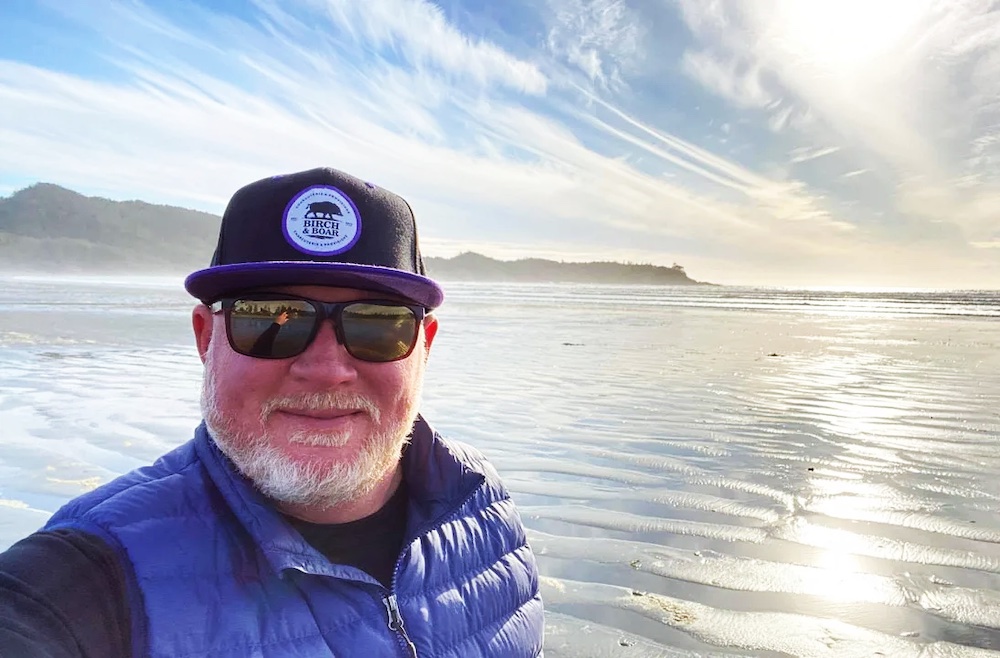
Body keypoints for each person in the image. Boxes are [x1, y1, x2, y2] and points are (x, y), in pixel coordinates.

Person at [0, 167, 545, 657]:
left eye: (378, 324)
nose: (326, 368)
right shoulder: (94, 578)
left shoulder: (483, 508)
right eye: (269, 320)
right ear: (205, 338)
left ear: (424, 345)